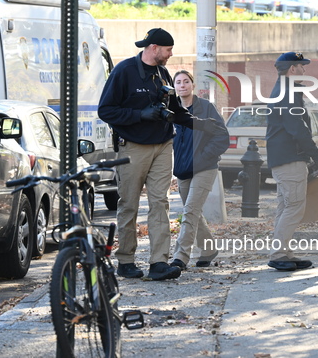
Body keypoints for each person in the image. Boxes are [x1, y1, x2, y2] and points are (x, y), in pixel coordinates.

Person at [97, 28, 224, 281]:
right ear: (154, 48)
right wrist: (139, 115)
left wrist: (200, 124)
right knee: (129, 204)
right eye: (168, 50)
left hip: (164, 145)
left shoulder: (162, 73)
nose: (171, 54)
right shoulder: (124, 72)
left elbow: (176, 111)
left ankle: (159, 262)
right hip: (133, 147)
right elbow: (106, 110)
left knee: (160, 204)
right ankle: (126, 261)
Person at [265, 52, 318, 271]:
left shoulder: (282, 89)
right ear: (292, 69)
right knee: (294, 207)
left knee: (286, 206)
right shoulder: (289, 91)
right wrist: (314, 153)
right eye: (301, 66)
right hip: (290, 157)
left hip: (282, 157)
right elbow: (296, 127)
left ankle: (284, 252)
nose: (304, 70)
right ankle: (279, 254)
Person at [169, 70, 230, 270]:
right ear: (174, 87)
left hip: (205, 167)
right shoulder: (172, 110)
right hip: (183, 169)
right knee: (192, 213)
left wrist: (203, 158)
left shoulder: (206, 108)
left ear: (192, 85)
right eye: (178, 82)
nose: (182, 85)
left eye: (186, 81)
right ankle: (209, 249)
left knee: (190, 211)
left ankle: (180, 257)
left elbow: (222, 137)